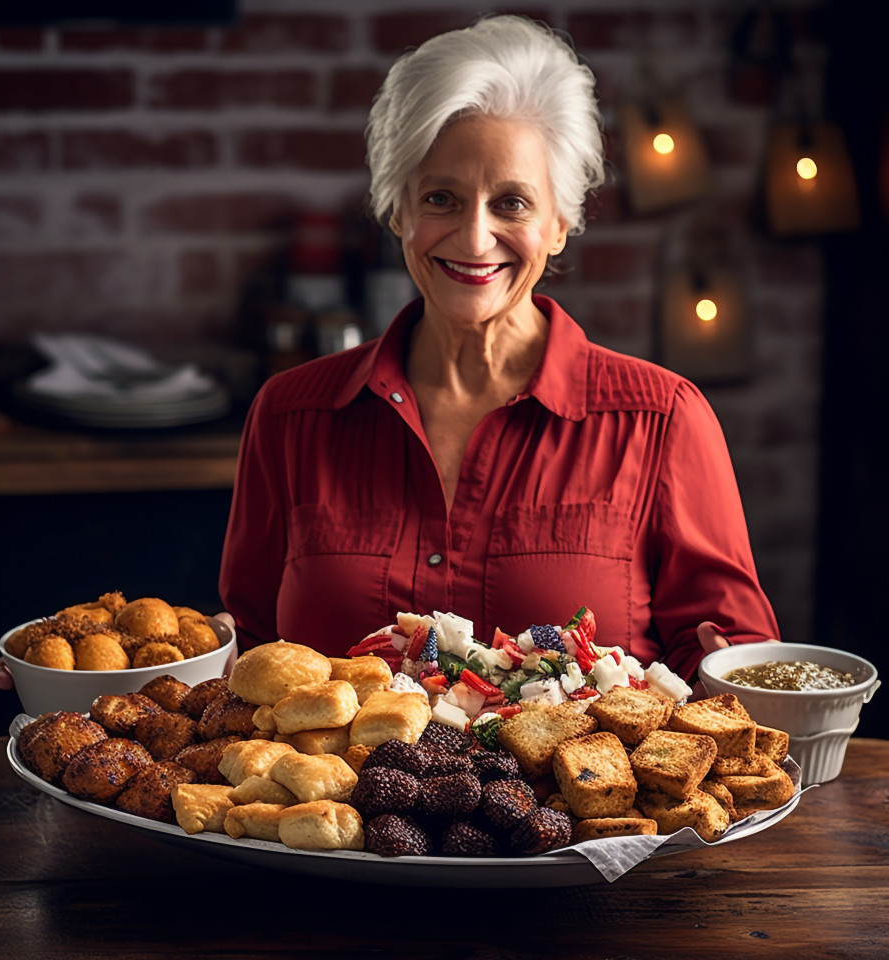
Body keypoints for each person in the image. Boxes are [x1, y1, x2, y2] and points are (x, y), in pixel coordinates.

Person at [218, 14, 778, 685]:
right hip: (333, 794)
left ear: (561, 222)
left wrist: (717, 680)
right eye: (441, 198)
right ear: (397, 210)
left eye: (511, 202)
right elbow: (247, 657)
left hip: (583, 791)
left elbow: (738, 673)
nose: (476, 238)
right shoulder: (288, 416)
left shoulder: (663, 421)